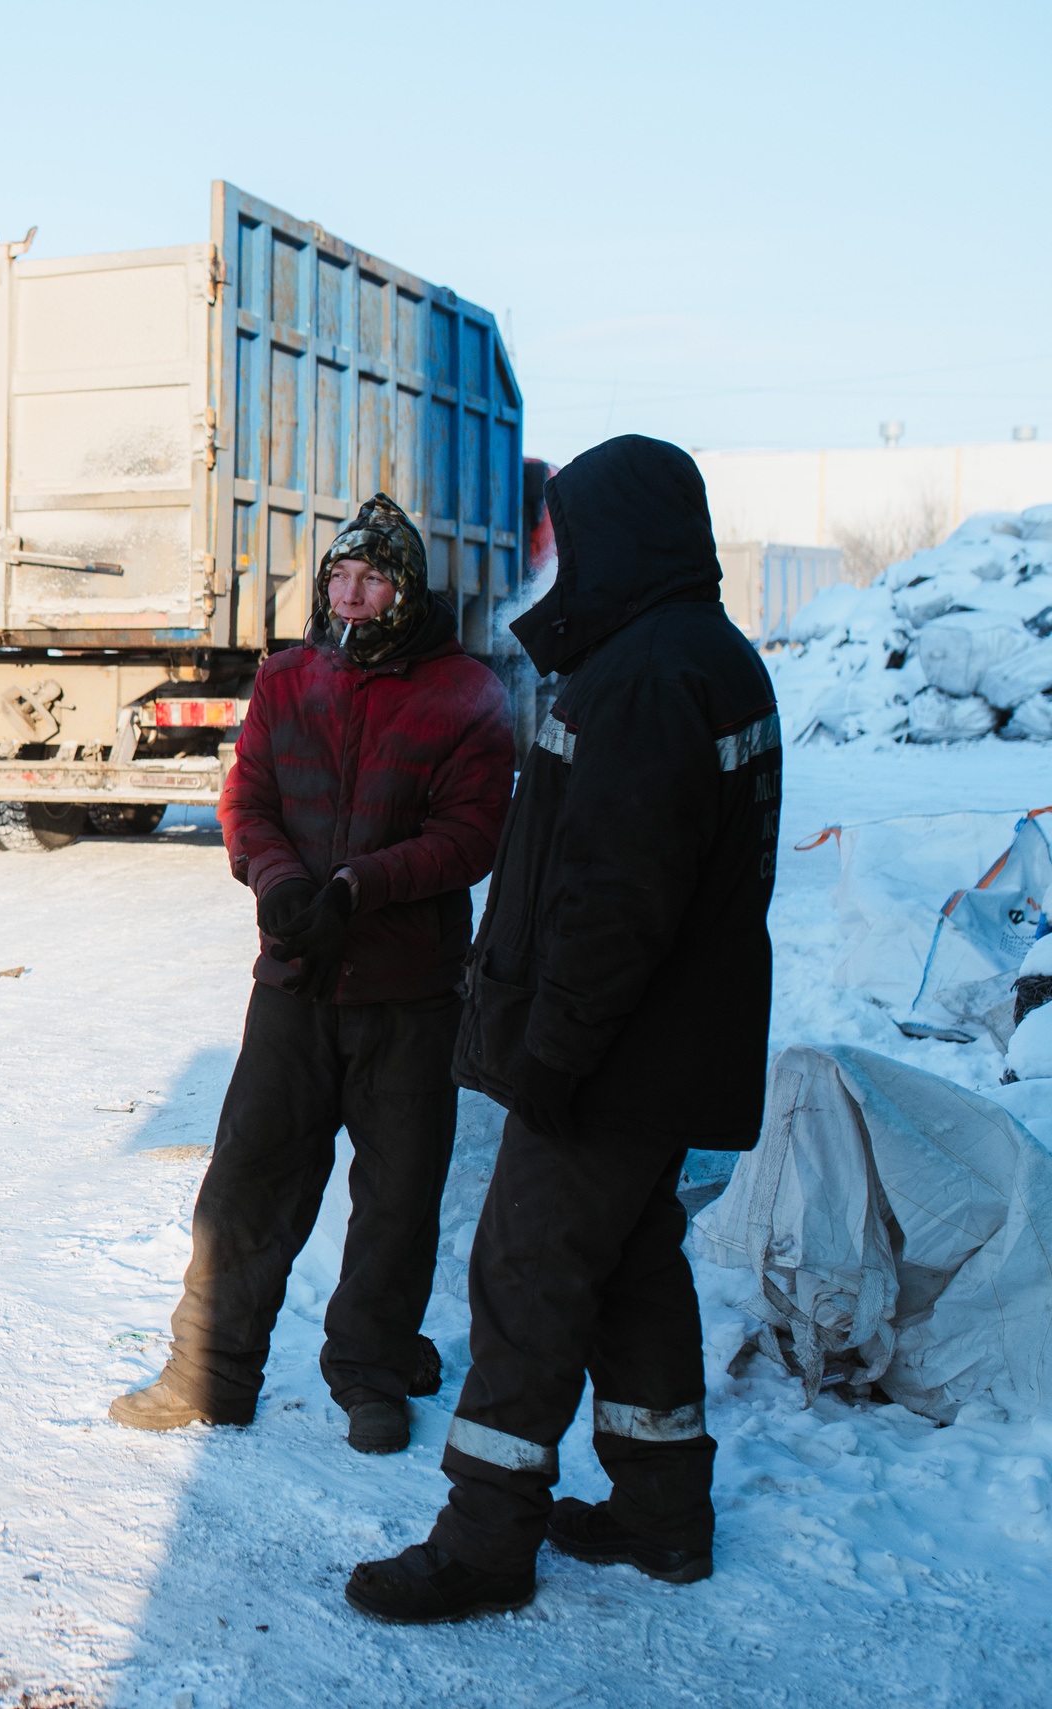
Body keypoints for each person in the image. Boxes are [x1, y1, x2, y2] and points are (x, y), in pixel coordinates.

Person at [347, 435, 780, 1624]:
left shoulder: (642, 677)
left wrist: (554, 1051)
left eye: (577, 535)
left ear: (623, 536)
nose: (563, 560)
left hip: (614, 1057)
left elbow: (615, 901)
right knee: (636, 1269)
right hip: (672, 1049)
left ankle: (484, 1541)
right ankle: (660, 1511)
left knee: (526, 1274)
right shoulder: (712, 656)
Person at [110, 492, 514, 1454]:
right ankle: (210, 1371)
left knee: (397, 1199)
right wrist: (285, 885)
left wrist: (358, 889)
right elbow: (247, 795)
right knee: (248, 1182)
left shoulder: (466, 694)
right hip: (294, 981)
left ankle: (370, 1370)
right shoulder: (290, 679)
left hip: (408, 992)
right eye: (340, 574)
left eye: (373, 576)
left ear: (406, 590)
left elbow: (470, 835)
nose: (353, 592)